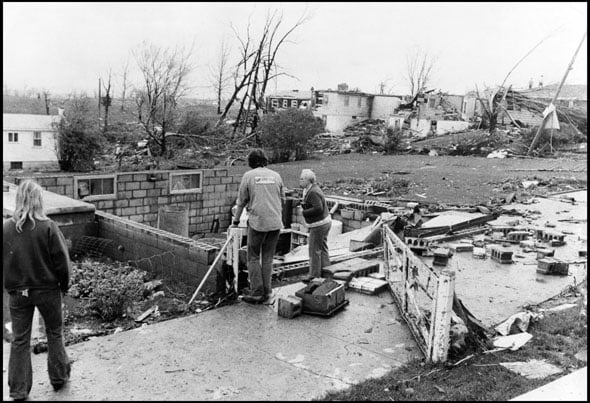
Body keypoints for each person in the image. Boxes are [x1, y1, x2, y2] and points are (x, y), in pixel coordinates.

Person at [3, 180, 72, 400]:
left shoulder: (5, 229)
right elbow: (62, 261)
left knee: (20, 339)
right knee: (54, 332)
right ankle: (59, 378)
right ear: (38, 199)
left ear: (19, 199)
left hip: (18, 293)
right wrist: (64, 285)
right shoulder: (48, 226)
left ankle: (18, 390)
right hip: (47, 290)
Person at [231, 149, 284, 303]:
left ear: (251, 162)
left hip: (258, 222)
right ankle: (267, 291)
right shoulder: (276, 176)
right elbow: (282, 198)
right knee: (268, 257)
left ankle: (256, 292)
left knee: (253, 256)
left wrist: (235, 222)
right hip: (275, 222)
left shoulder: (248, 176)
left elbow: (241, 202)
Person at [298, 169, 331, 280]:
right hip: (325, 222)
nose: (300, 180)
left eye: (302, 179)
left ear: (308, 180)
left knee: (314, 250)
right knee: (322, 248)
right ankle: (327, 271)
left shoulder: (313, 192)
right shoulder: (310, 189)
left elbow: (318, 208)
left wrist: (303, 212)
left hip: (319, 225)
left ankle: (314, 275)